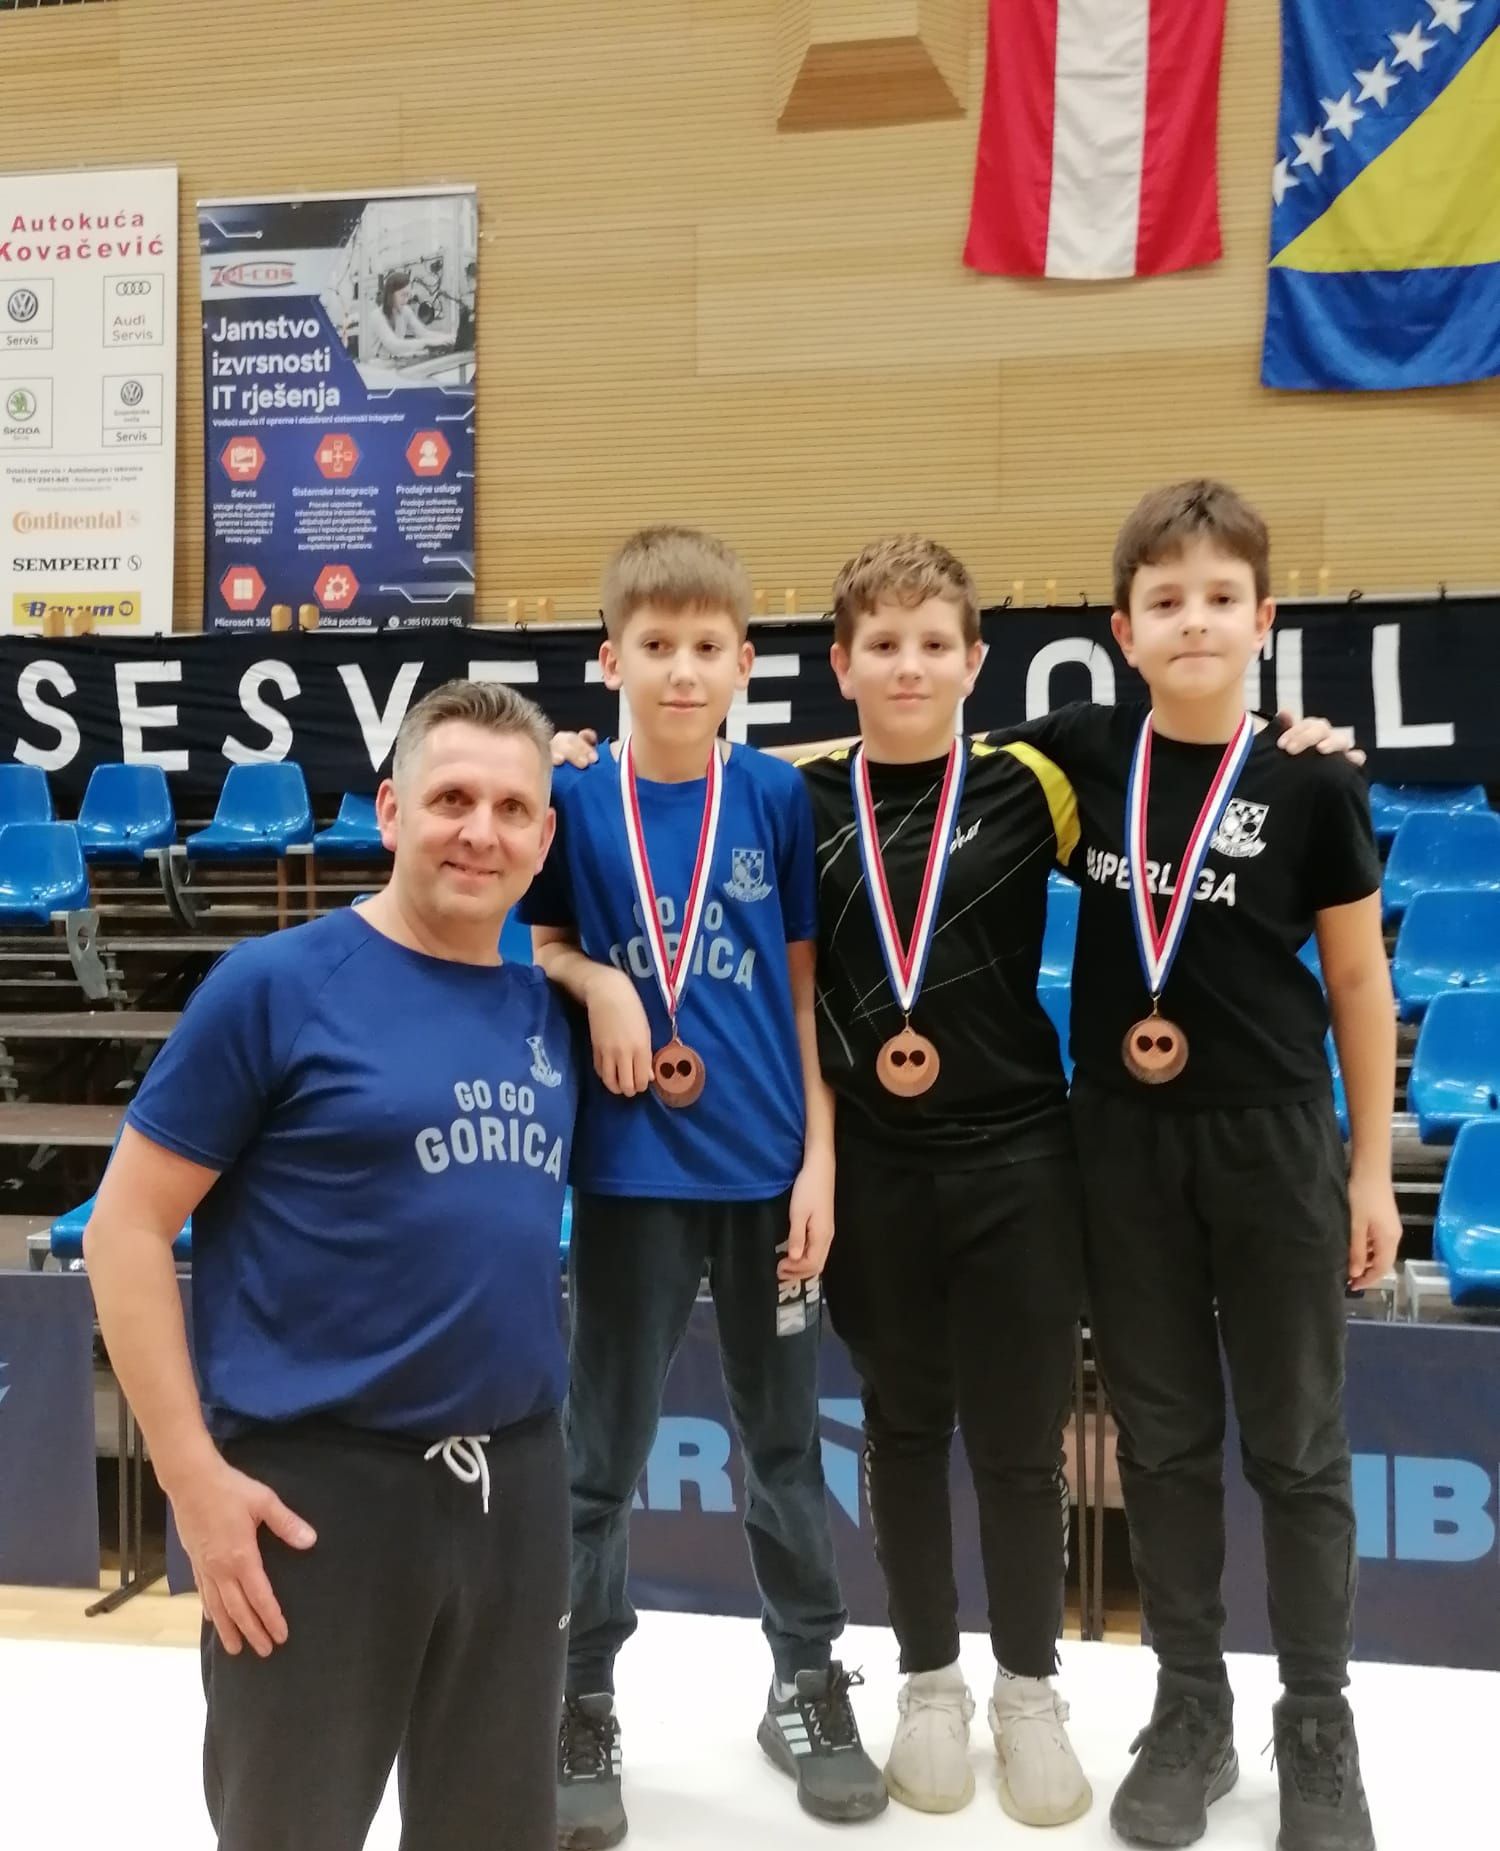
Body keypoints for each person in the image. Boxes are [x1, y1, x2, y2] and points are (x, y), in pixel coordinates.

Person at [83, 680, 579, 1851]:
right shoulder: (276, 986)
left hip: (517, 1485)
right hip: (315, 1498)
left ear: (544, 835)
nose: (481, 831)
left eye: (513, 808)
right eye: (452, 799)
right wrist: (192, 1483)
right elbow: (124, 1229)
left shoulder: (548, 1009)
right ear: (391, 810)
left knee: (496, 1831)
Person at [1014, 481, 1397, 1851]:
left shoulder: (1312, 780)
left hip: (1274, 1140)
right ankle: (1190, 1708)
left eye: (1220, 597)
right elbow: (904, 755)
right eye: (1165, 600)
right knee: (1165, 1440)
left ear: (1264, 618)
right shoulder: (1077, 755)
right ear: (1121, 630)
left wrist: (1368, 1169)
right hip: (1120, 1141)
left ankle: (1318, 1720)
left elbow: (1358, 982)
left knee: (1297, 1444)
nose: (1194, 620)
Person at [518, 525, 885, 1848]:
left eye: (707, 646)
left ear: (744, 663)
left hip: (765, 1176)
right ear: (610, 657)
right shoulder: (574, 800)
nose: (683, 669)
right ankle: (578, 1699)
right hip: (629, 1177)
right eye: (657, 644)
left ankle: (805, 1683)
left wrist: (819, 1161)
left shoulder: (776, 796)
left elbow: (803, 992)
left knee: (783, 1445)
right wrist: (601, 979)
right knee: (601, 1455)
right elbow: (538, 943)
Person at [793, 536, 1095, 1827]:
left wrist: (1295, 739)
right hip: (876, 1165)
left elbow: (1194, 781)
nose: (907, 665)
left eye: (933, 643)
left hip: (1021, 1156)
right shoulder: (794, 799)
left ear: (976, 660)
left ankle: (1028, 1688)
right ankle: (927, 1681)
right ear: (841, 662)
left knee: (1021, 1441)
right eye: (882, 642)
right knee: (904, 1427)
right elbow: (663, 798)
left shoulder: (1037, 783)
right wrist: (587, 754)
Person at [373, 268, 450, 359]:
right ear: (391, 294)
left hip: (394, 361)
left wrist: (448, 338)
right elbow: (393, 345)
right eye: (403, 295)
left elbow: (424, 333)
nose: (406, 300)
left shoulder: (405, 311)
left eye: (408, 295)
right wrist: (426, 342)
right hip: (375, 363)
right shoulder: (377, 316)